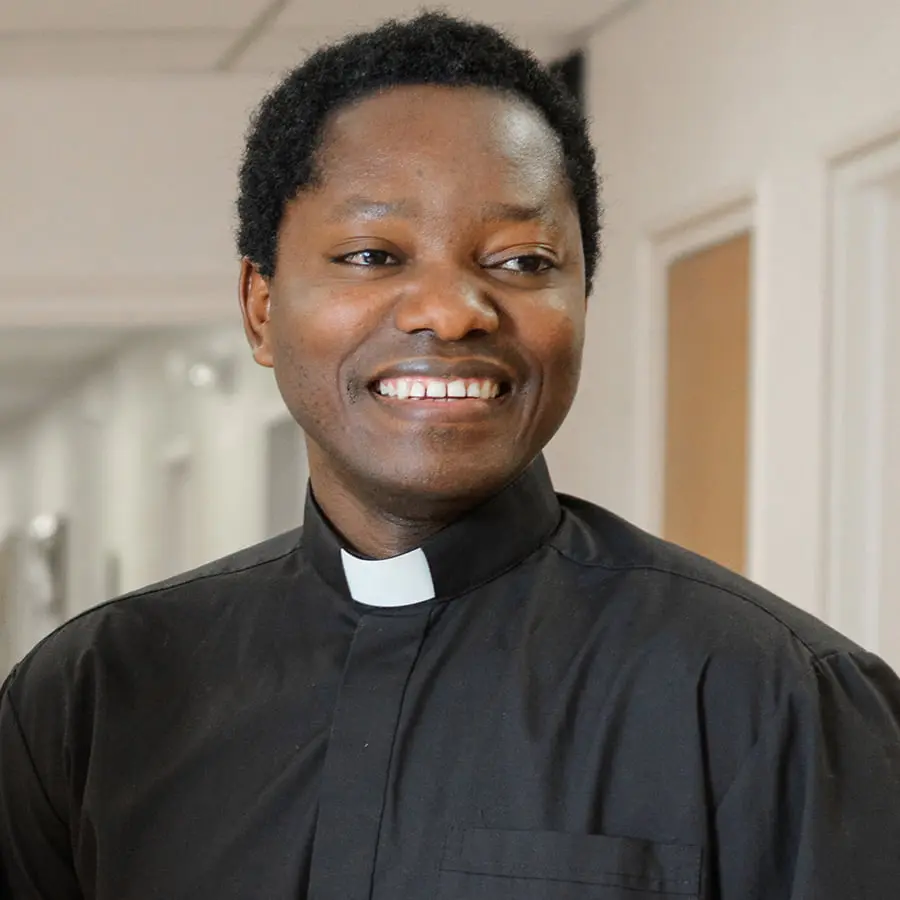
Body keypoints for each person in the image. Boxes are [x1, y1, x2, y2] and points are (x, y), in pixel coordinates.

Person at [2, 12, 899, 899]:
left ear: (584, 295)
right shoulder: (89, 698)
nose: (453, 309)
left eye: (519, 260)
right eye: (371, 253)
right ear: (260, 308)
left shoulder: (778, 701)